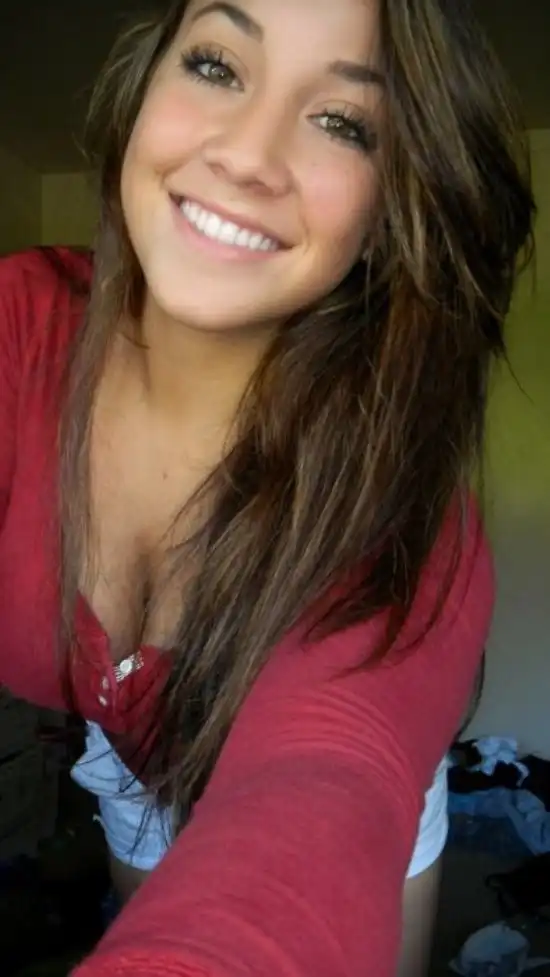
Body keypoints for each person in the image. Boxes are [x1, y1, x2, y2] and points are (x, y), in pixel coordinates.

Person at [0, 0, 534, 975]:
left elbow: (323, 799)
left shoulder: (401, 530)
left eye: (342, 122)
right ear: (141, 86)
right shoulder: (18, 336)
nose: (248, 156)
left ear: (388, 210)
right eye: (215, 65)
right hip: (130, 757)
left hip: (351, 808)